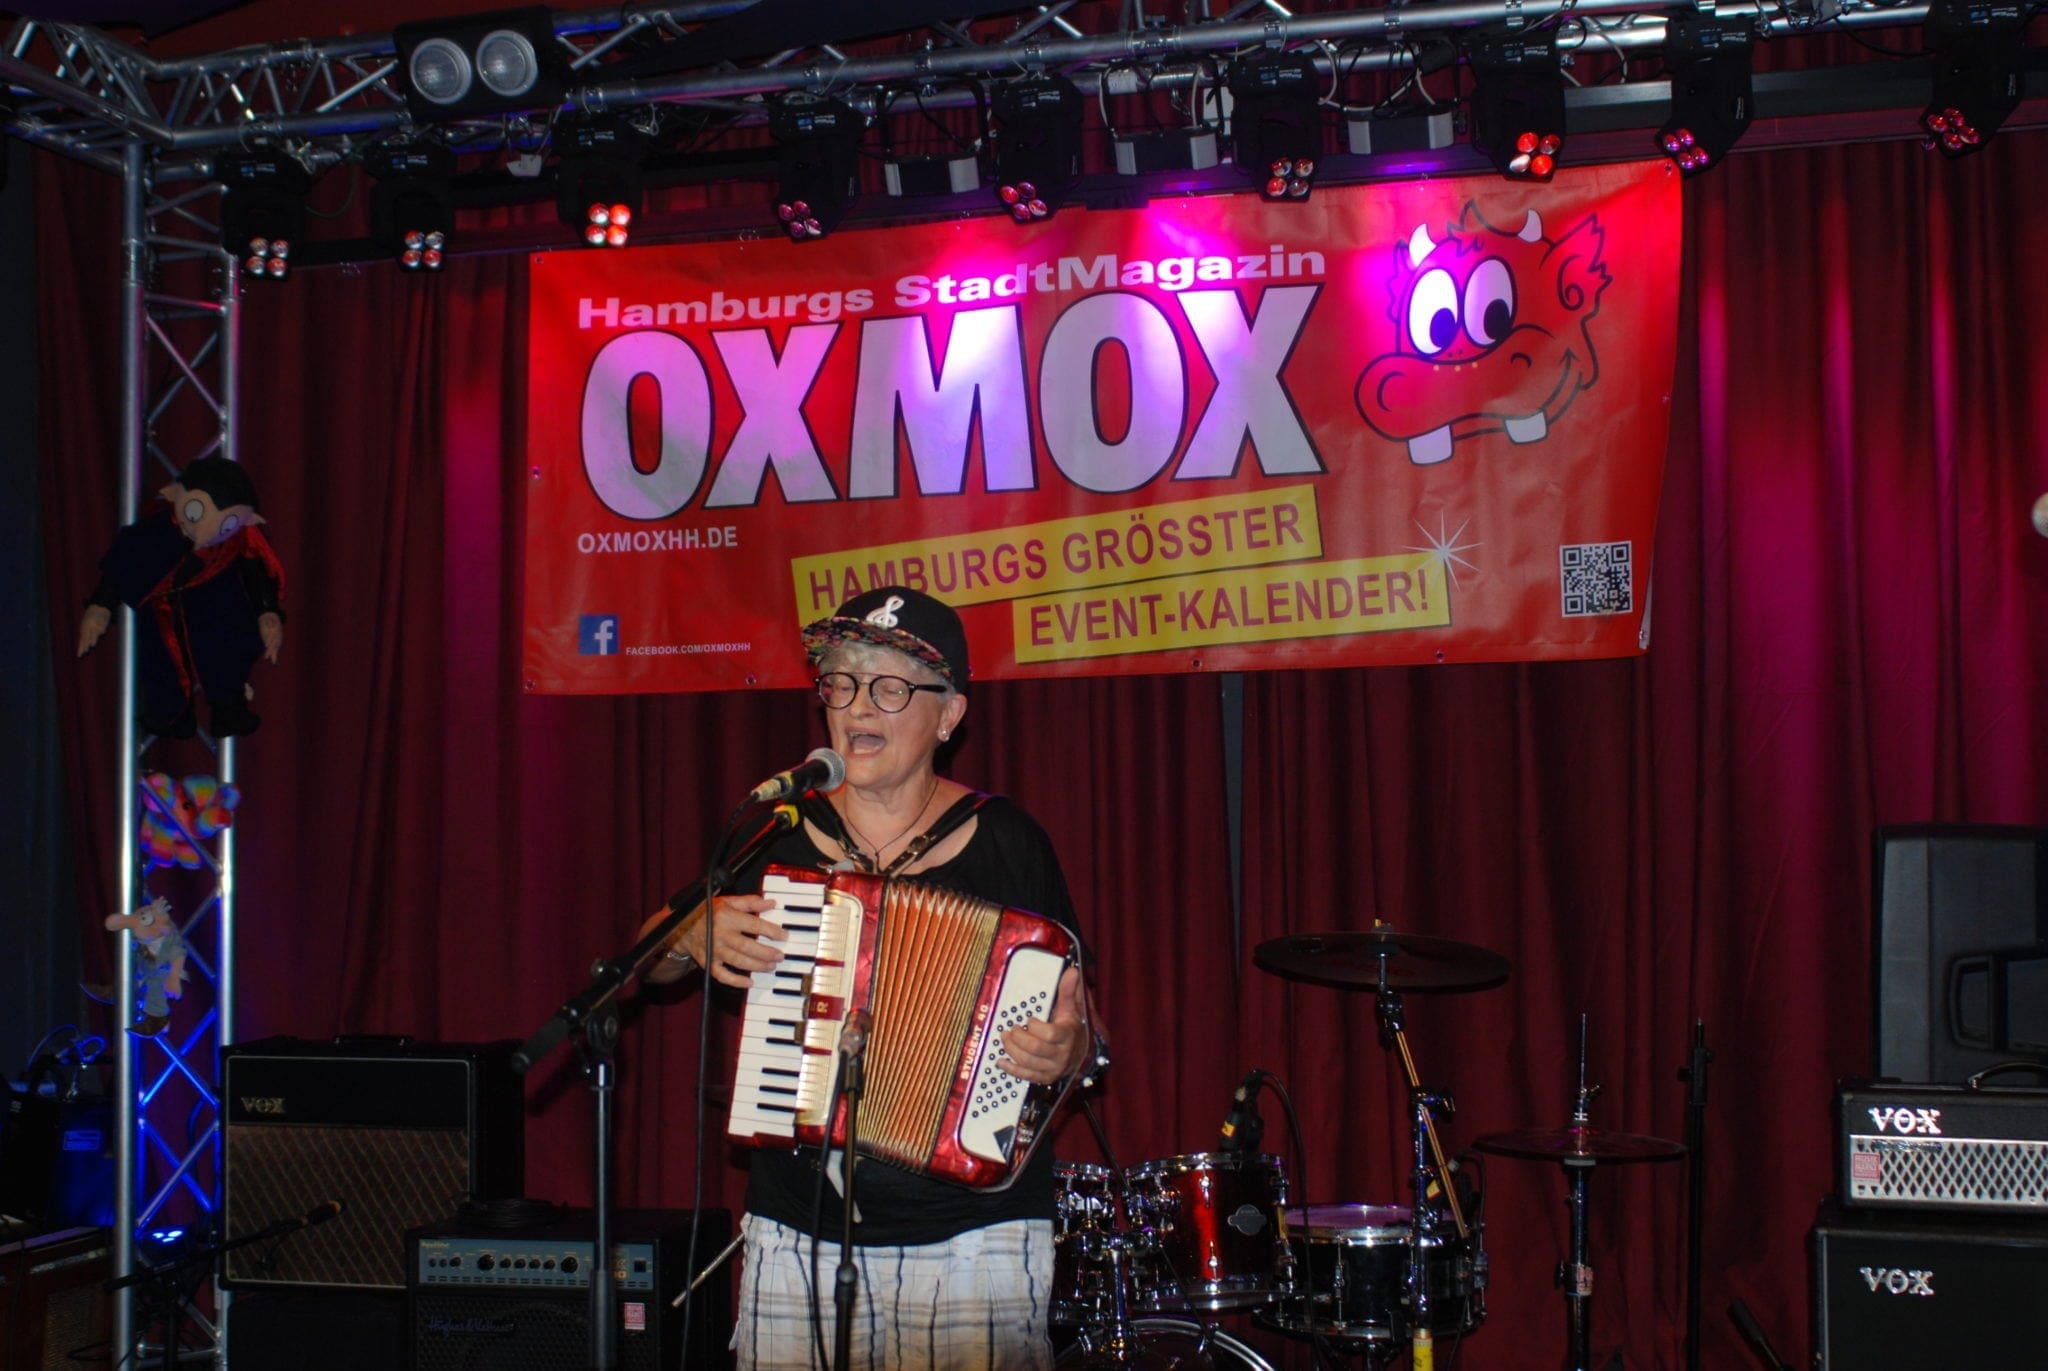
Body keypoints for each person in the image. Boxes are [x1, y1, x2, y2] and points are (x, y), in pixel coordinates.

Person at [646, 585, 1097, 1371]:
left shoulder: (1008, 842)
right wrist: (689, 933)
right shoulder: (781, 830)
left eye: (890, 687)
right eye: (843, 682)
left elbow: (1083, 1023)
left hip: (974, 1237)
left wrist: (1067, 1050)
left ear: (948, 714)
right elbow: (646, 958)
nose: (859, 705)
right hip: (799, 1228)